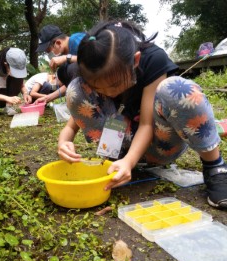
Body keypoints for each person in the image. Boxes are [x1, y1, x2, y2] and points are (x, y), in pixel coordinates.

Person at [57, 20, 227, 208]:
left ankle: (215, 168)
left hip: (160, 145)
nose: (109, 93)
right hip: (122, 146)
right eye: (99, 88)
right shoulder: (89, 71)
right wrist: (64, 142)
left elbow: (146, 124)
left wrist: (129, 162)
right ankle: (117, 160)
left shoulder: (153, 59)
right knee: (75, 89)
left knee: (177, 88)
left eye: (114, 85)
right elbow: (71, 124)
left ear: (135, 60)